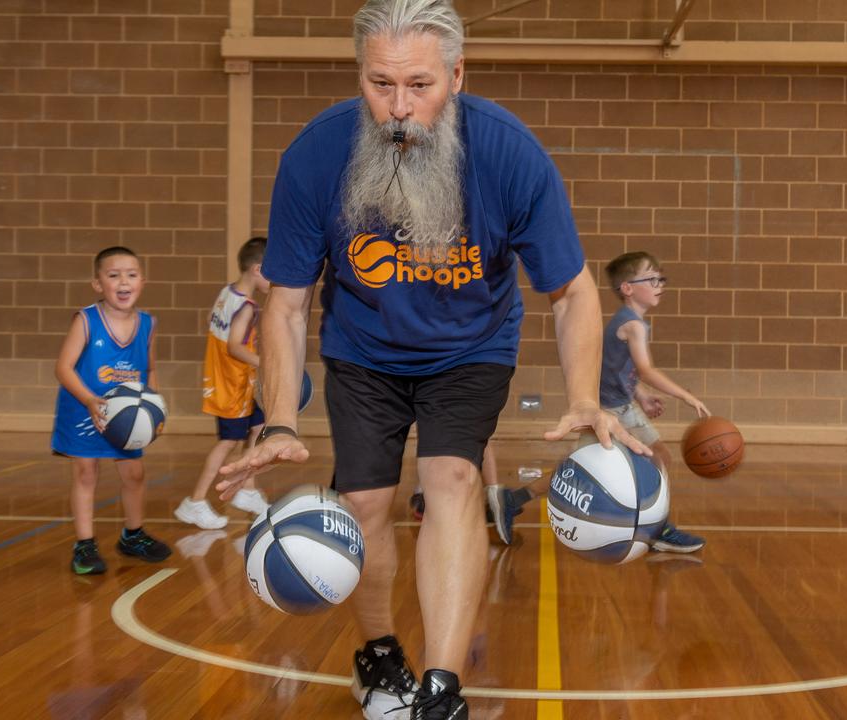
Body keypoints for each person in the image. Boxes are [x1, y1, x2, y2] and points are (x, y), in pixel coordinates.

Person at [215, 2, 644, 717]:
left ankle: (443, 685)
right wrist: (281, 421)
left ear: (457, 73)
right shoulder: (316, 155)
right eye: (380, 84)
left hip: (471, 345)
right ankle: (379, 651)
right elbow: (286, 305)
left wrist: (582, 399)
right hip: (360, 346)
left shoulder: (509, 154)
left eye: (419, 85)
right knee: (363, 502)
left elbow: (570, 293)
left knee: (451, 479)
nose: (399, 109)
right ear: (360, 75)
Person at [52, 246, 172, 575]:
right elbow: (63, 368)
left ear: (142, 282)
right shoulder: (87, 320)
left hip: (126, 416)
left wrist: (156, 404)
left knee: (134, 474)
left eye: (131, 275)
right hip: (83, 409)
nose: (123, 281)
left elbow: (149, 369)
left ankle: (132, 535)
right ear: (97, 283)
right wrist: (90, 401)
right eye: (113, 274)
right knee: (86, 473)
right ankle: (85, 544)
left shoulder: (147, 323)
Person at [600, 251, 712, 553]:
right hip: (609, 410)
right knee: (582, 471)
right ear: (628, 288)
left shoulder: (630, 321)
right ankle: (516, 498)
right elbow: (646, 369)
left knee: (660, 456)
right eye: (651, 279)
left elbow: (619, 368)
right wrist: (686, 395)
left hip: (624, 403)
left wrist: (642, 395)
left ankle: (657, 527)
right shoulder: (633, 324)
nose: (659, 283)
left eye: (660, 277)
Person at [173, 237, 272, 529]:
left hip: (239, 382)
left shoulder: (226, 294)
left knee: (258, 428)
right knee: (228, 442)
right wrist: (264, 363)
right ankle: (195, 501)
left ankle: (248, 489)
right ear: (257, 269)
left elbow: (212, 323)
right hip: (231, 384)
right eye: (272, 272)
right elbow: (234, 347)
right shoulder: (247, 307)